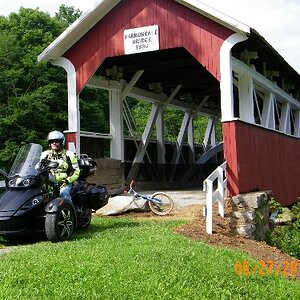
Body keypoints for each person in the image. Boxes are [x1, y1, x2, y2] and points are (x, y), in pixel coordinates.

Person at [40, 130, 80, 201]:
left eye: (56, 141)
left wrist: (66, 181)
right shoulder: (45, 154)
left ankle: (68, 210)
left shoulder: (69, 154)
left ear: (62, 142)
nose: (54, 143)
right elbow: (37, 166)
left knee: (63, 194)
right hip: (48, 183)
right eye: (51, 142)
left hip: (64, 183)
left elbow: (75, 170)